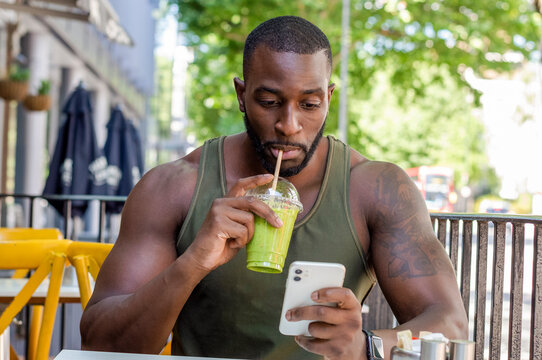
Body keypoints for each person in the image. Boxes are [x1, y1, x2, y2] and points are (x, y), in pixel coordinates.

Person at [80, 16, 467, 360]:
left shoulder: (377, 189)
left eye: (309, 104)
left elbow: (451, 327)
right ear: (241, 96)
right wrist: (194, 261)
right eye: (269, 101)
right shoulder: (174, 187)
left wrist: (364, 348)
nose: (289, 124)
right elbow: (101, 344)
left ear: (328, 99)